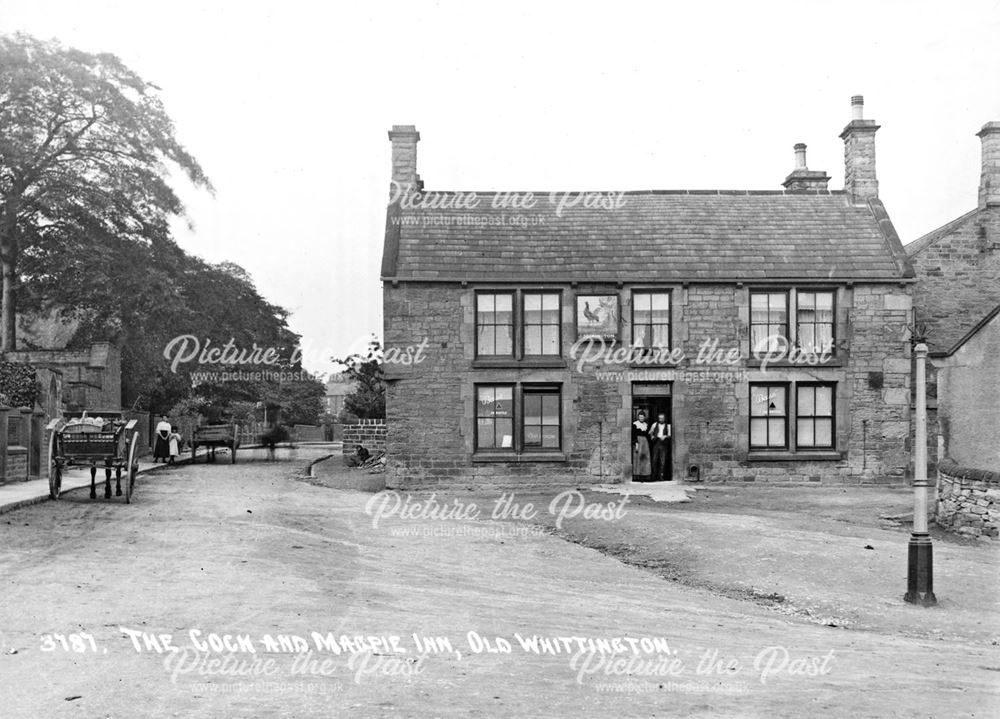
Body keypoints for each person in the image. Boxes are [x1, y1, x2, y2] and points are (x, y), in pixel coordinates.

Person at [648, 412, 671, 482]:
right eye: (659, 418)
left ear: (664, 419)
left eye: (662, 418)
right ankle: (654, 476)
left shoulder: (668, 426)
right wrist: (652, 436)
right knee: (654, 459)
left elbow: (670, 435)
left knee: (662, 461)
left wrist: (665, 436)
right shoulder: (655, 424)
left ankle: (661, 476)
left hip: (663, 443)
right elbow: (650, 432)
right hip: (656, 442)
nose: (661, 419)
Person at [631, 410, 651, 482]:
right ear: (638, 417)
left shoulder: (646, 425)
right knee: (638, 458)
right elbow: (634, 434)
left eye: (642, 417)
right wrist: (636, 443)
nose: (641, 418)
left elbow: (648, 435)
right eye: (640, 417)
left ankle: (644, 475)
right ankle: (637, 475)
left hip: (645, 442)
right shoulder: (635, 424)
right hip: (638, 441)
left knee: (645, 458)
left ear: (644, 417)